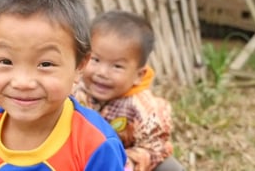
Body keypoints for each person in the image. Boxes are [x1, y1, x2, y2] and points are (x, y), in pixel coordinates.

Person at [0, 0, 127, 170]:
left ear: (80, 65)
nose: (23, 82)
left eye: (45, 64)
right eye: (5, 61)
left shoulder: (96, 144)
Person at [72, 10, 185, 171]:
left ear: (139, 75)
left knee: (169, 167)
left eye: (117, 66)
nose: (102, 73)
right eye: (95, 60)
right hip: (88, 157)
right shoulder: (74, 91)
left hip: (129, 162)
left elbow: (154, 149)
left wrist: (126, 163)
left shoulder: (146, 110)